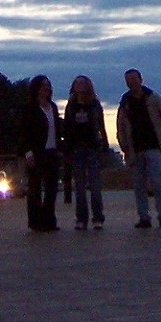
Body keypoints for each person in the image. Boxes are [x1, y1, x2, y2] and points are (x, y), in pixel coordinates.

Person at [116, 68, 161, 229]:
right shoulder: (125, 102)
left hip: (153, 145)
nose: (131, 83)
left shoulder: (152, 97)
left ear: (140, 79)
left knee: (156, 182)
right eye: (128, 80)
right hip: (135, 149)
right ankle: (144, 217)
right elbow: (120, 125)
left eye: (133, 79)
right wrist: (124, 145)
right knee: (138, 185)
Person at [61, 75, 107, 230]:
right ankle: (81, 218)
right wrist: (66, 147)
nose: (80, 86)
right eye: (77, 83)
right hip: (76, 148)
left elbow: (101, 125)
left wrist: (105, 145)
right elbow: (67, 127)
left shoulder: (95, 105)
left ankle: (98, 217)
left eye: (83, 83)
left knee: (95, 185)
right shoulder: (71, 106)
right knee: (79, 186)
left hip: (92, 147)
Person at [19, 74, 61, 232]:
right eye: (43, 85)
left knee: (51, 188)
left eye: (48, 85)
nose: (46, 88)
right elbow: (24, 132)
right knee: (35, 188)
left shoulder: (53, 107)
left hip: (52, 152)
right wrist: (28, 153)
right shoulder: (30, 109)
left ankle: (49, 220)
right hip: (37, 153)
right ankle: (36, 222)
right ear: (36, 88)